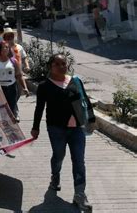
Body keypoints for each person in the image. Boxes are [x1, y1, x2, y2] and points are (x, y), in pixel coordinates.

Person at [31, 54, 96, 212]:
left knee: (79, 161)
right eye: (57, 64)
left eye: (64, 63)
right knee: (58, 156)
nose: (62, 66)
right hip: (56, 128)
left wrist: (92, 119)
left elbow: (85, 99)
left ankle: (79, 194)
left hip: (77, 129)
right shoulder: (44, 86)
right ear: (50, 67)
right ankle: (55, 177)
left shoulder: (75, 81)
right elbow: (39, 108)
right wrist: (35, 128)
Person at [0, 41, 30, 121]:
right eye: (3, 47)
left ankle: (12, 125)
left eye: (7, 47)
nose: (5, 49)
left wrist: (25, 87)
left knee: (11, 107)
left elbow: (19, 75)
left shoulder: (13, 61)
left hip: (11, 87)